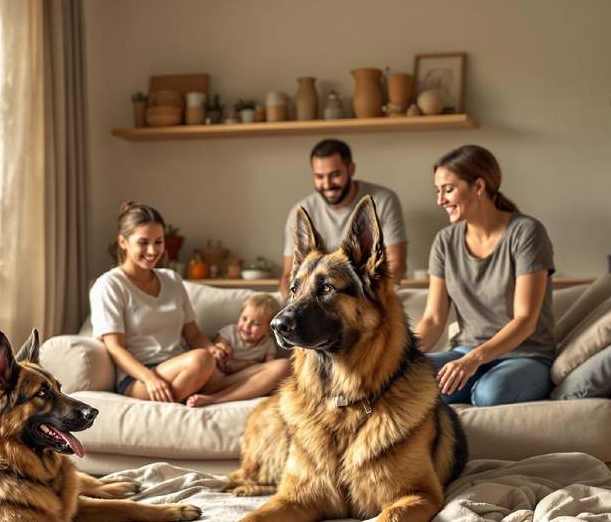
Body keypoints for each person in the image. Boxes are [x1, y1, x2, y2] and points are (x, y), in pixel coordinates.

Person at [90, 202, 289, 406]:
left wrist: (213, 349)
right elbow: (115, 348)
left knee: (282, 366)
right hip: (140, 378)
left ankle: (211, 399)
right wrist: (150, 378)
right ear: (123, 242)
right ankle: (191, 388)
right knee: (201, 359)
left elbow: (193, 335)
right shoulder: (109, 285)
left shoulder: (172, 280)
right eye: (143, 242)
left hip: (189, 370)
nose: (152, 250)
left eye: (158, 242)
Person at [413, 145, 556, 407]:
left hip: (524, 356)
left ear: (479, 187)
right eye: (438, 191)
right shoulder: (444, 242)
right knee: (406, 379)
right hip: (464, 352)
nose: (440, 200)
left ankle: (476, 386)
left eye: (448, 189)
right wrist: (398, 358)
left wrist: (473, 360)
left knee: (490, 393)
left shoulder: (527, 233)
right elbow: (433, 320)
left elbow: (525, 321)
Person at [279, 139, 407, 297]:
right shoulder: (300, 211)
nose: (327, 184)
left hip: (371, 294)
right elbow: (289, 274)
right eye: (319, 176)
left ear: (351, 169)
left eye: (335, 175)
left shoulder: (383, 200)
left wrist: (368, 298)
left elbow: (396, 262)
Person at [189, 293, 288, 407]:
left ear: (268, 331)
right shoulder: (230, 332)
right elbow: (217, 353)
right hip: (220, 376)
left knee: (282, 365)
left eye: (255, 323)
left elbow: (269, 368)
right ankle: (213, 396)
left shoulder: (267, 344)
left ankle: (214, 399)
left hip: (242, 380)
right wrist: (245, 362)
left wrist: (245, 367)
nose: (246, 326)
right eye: (244, 319)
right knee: (211, 364)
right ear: (239, 315)